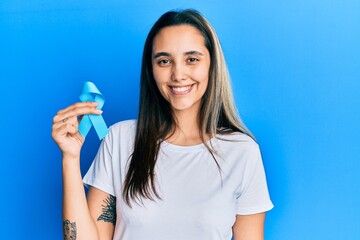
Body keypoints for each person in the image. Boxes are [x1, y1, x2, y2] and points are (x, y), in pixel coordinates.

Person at [52, 9, 273, 240]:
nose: (178, 74)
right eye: (164, 61)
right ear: (152, 70)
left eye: (192, 59)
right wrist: (70, 158)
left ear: (212, 65)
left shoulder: (242, 152)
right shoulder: (119, 139)